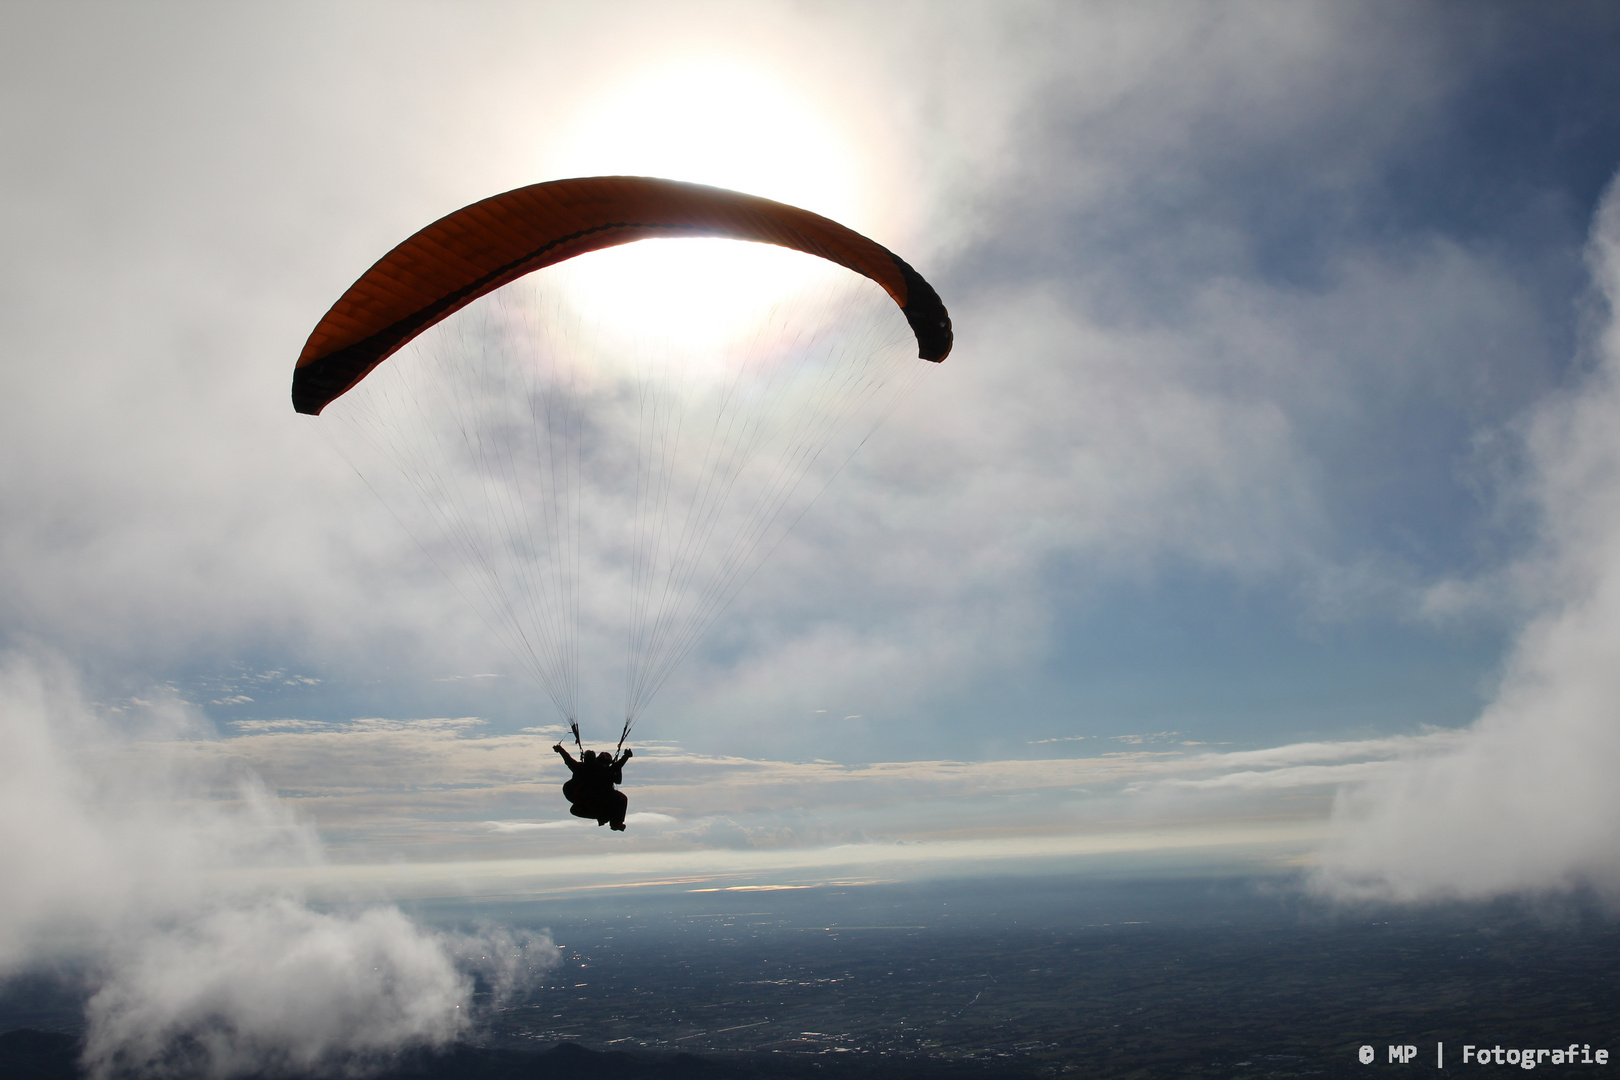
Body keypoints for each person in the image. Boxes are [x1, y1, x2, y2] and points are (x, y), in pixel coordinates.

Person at [553, 743, 633, 830]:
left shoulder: (580, 767)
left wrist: (560, 749)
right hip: (592, 799)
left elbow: (568, 760)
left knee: (574, 810)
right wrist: (626, 756)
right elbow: (617, 767)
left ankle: (608, 819)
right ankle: (613, 822)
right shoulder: (604, 771)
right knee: (622, 799)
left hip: (586, 800)